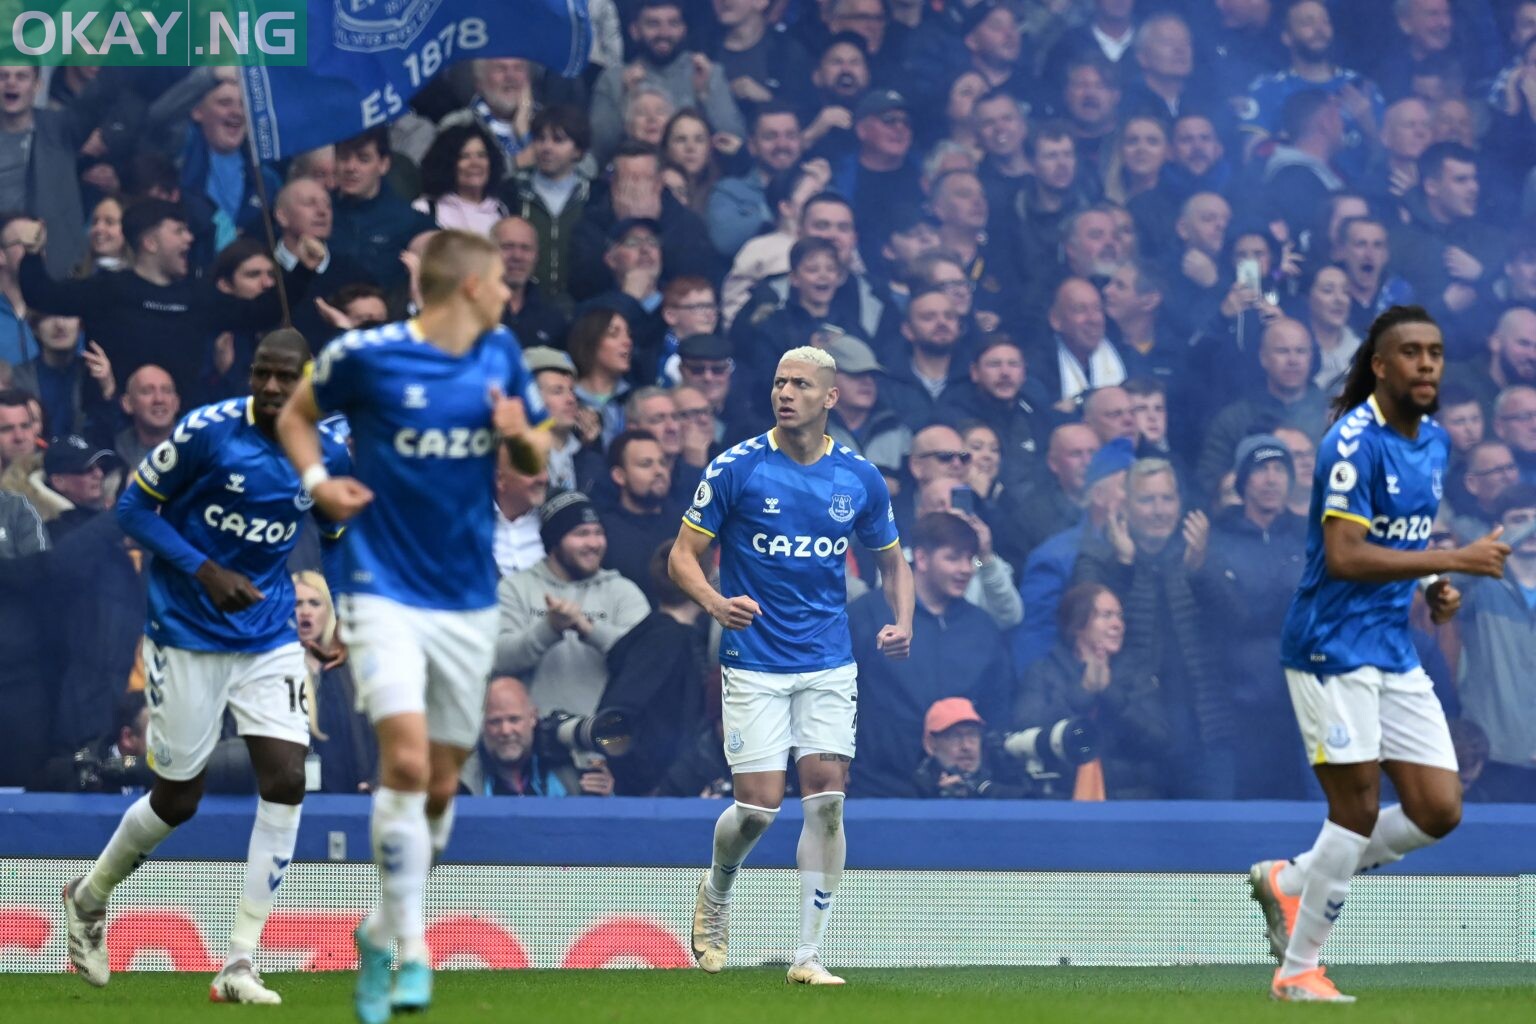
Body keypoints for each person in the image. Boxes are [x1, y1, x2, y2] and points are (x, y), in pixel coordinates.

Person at [276, 230, 551, 1022]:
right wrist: (321, 481)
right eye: (498, 278)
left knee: (438, 782)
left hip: (466, 594)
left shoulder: (501, 354)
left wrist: (517, 435)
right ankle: (413, 947)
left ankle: (376, 929)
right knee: (400, 752)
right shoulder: (367, 355)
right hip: (379, 583)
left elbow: (534, 464)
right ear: (467, 286)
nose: (508, 291)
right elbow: (297, 415)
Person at [62, 330, 349, 1003]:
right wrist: (205, 568)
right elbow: (132, 509)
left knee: (285, 777)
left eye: (286, 377)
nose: (272, 388)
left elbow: (335, 536)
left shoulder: (328, 452)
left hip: (267, 631)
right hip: (185, 631)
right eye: (262, 374)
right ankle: (88, 896)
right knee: (177, 799)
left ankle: (240, 961)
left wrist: (344, 611)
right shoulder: (206, 433)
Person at [1250, 305, 1511, 1003]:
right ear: (1381, 365)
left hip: (1392, 646)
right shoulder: (1350, 442)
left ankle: (1293, 880)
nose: (1427, 364)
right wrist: (1457, 555)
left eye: (1435, 352)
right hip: (1329, 649)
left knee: (1439, 809)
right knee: (1357, 809)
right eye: (1412, 353)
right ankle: (1299, 969)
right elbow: (1343, 555)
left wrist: (1435, 582)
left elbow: (1406, 532)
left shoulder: (1435, 442)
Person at [668, 344, 913, 985]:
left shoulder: (858, 477)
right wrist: (716, 603)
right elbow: (681, 557)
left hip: (829, 658)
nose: (786, 392)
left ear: (830, 397)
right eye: (779, 381)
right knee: (758, 809)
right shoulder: (738, 468)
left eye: (801, 384)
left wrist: (903, 620)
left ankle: (807, 954)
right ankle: (717, 892)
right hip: (754, 659)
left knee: (827, 802)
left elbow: (892, 561)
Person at [850, 512, 1009, 798]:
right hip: (878, 787)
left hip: (963, 790)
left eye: (970, 559)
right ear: (921, 558)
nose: (965, 569)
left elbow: (997, 706)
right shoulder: (868, 615)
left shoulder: (983, 628)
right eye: (953, 558)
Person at [495, 490, 651, 716]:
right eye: (581, 533)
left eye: (599, 533)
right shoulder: (514, 589)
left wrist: (588, 628)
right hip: (534, 738)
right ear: (554, 541)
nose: (594, 543)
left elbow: (647, 660)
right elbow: (498, 659)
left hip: (605, 739)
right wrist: (549, 628)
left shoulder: (623, 591)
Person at [1015, 582, 1171, 800]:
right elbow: (1025, 731)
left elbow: (1159, 738)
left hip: (1130, 799)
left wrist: (1111, 694)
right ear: (1077, 624)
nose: (1118, 625)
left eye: (1120, 616)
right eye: (1106, 616)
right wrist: (1083, 692)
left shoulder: (1137, 673)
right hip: (1060, 797)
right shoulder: (1044, 672)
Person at [1436, 483, 1536, 801]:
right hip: (1496, 751)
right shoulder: (1480, 585)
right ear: (1498, 529)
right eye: (1520, 519)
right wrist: (1504, 543)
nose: (1531, 527)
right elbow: (1442, 583)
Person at [458, 675, 613, 797]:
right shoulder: (459, 779)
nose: (505, 730)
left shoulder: (567, 767)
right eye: (495, 722)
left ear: (533, 717)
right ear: (481, 724)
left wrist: (605, 798)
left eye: (514, 719)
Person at [295, 570, 375, 795]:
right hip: (293, 794)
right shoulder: (273, 669)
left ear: (329, 611)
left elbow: (378, 730)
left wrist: (375, 779)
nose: (305, 611)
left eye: (314, 603)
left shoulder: (352, 669)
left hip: (351, 792)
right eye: (298, 604)